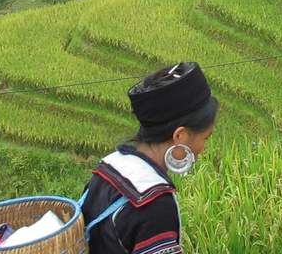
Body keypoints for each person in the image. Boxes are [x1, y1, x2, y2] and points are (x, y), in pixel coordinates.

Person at [79, 62, 216, 254]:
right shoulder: (155, 205)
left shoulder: (110, 165)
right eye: (205, 138)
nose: (203, 148)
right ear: (180, 136)